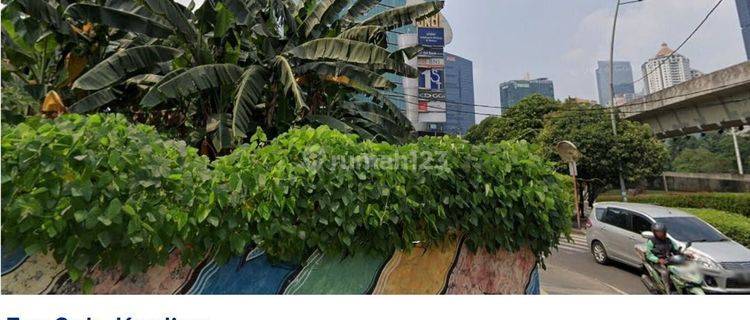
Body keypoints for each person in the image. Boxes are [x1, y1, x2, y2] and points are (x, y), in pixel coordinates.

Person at [645, 223, 680, 294]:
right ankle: (667, 290)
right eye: (658, 232)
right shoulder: (651, 241)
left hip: (669, 260)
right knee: (665, 272)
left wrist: (685, 254)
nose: (660, 233)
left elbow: (675, 250)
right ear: (654, 232)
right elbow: (649, 255)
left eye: (662, 232)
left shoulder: (669, 240)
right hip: (657, 262)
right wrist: (658, 260)